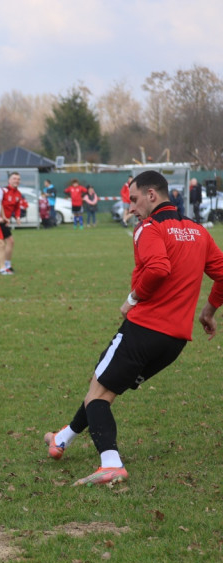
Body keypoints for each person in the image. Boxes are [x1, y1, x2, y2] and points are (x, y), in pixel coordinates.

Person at [43, 170, 223, 487]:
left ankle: (111, 463)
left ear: (152, 195)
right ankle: (62, 438)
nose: (131, 208)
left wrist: (132, 298)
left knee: (98, 395)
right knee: (103, 385)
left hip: (144, 329)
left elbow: (157, 268)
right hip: (174, 342)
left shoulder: (149, 229)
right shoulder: (198, 232)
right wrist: (209, 311)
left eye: (135, 199)